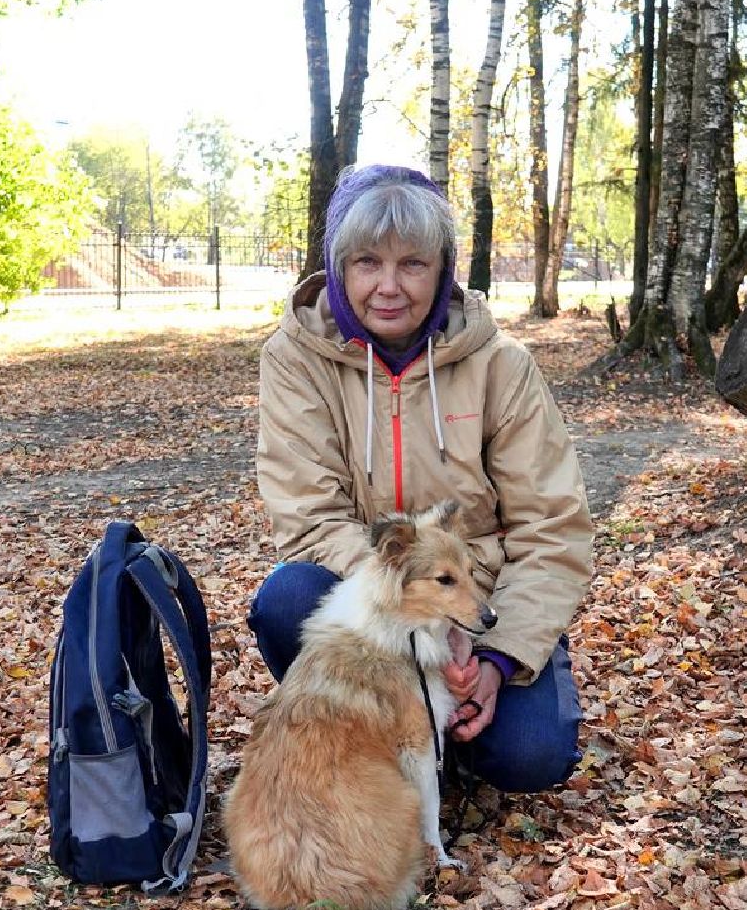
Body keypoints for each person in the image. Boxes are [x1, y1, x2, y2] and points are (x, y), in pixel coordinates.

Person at [248, 164, 594, 793]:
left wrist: (493, 655)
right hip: (368, 596)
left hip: (480, 604)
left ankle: (447, 735)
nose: (388, 286)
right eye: (366, 262)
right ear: (337, 266)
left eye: (412, 264)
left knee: (531, 757)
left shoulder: (502, 366)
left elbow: (551, 528)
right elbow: (309, 516)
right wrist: (416, 616)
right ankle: (373, 738)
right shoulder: (295, 358)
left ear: (443, 270)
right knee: (287, 600)